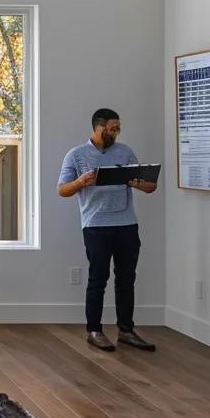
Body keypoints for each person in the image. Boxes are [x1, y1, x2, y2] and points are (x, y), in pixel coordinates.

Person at [58, 108, 158, 352]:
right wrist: (82, 181)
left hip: (127, 224)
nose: (117, 132)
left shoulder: (125, 152)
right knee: (97, 279)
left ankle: (126, 330)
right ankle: (94, 330)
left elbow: (151, 187)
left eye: (118, 128)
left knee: (126, 279)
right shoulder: (76, 155)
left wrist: (138, 183)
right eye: (113, 128)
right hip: (95, 226)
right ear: (98, 127)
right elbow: (62, 190)